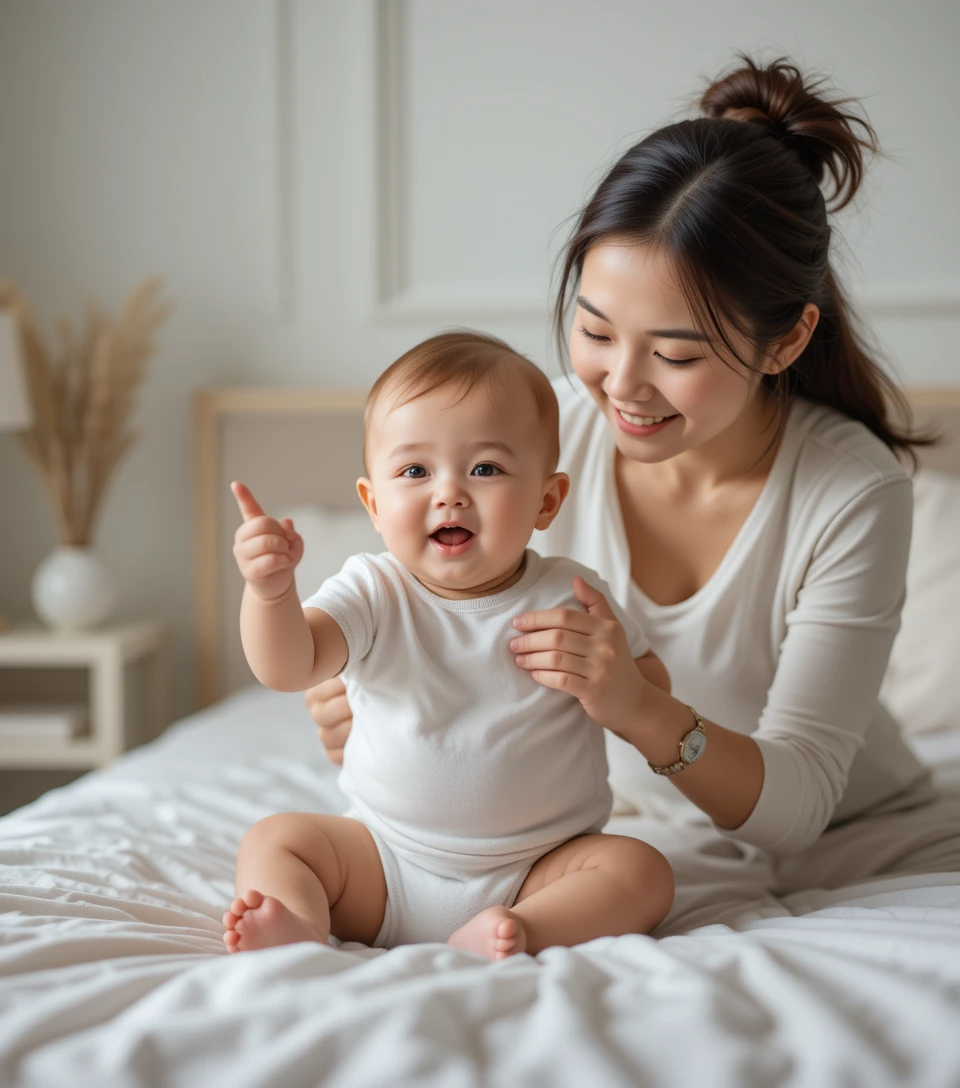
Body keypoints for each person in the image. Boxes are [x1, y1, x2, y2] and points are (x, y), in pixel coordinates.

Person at [306, 54, 960, 933]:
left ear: (787, 339)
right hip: (590, 831)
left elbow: (801, 800)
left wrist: (640, 708)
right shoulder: (534, 440)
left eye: (678, 355)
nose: (622, 385)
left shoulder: (849, 490)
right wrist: (368, 694)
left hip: (846, 837)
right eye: (594, 330)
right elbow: (427, 587)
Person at [223, 331, 675, 960]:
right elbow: (288, 665)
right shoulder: (374, 590)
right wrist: (270, 594)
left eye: (485, 468)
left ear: (547, 500)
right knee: (275, 840)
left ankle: (525, 930)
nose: (449, 492)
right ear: (374, 504)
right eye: (415, 470)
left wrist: (619, 679)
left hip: (538, 869)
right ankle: (299, 921)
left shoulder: (572, 594)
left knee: (641, 870)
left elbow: (650, 694)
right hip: (383, 863)